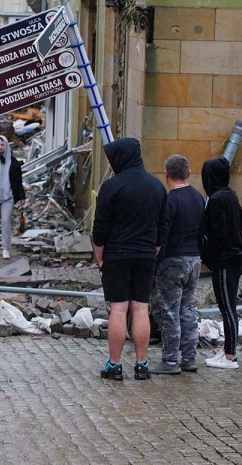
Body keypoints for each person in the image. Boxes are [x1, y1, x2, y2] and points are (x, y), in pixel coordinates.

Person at [92, 138, 166, 381]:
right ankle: (142, 364)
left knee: (119, 308)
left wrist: (100, 257)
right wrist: (152, 252)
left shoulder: (112, 187)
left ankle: (114, 365)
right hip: (146, 255)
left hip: (117, 255)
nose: (111, 165)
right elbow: (162, 227)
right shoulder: (156, 186)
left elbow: (100, 227)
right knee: (141, 308)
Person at [149, 155, 205, 375]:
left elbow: (162, 234)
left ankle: (170, 360)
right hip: (194, 259)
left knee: (169, 311)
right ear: (188, 172)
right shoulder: (198, 198)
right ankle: (189, 358)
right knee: (188, 309)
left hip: (173, 261)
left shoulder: (169, 201)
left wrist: (155, 258)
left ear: (166, 174)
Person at [199, 156, 242, 369]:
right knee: (230, 306)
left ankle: (230, 356)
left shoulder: (216, 200)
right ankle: (229, 350)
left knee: (227, 308)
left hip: (225, 260)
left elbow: (217, 235)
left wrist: (207, 257)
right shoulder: (231, 196)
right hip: (237, 257)